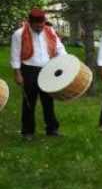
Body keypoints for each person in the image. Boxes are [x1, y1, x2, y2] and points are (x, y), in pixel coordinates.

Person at [10, 8, 67, 140]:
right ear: (30, 22)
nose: (40, 28)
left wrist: (66, 61)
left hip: (47, 69)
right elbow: (15, 55)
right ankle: (28, 131)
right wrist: (17, 74)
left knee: (48, 101)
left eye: (41, 25)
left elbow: (59, 48)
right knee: (29, 101)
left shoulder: (50, 31)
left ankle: (52, 129)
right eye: (36, 26)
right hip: (29, 70)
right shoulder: (19, 34)